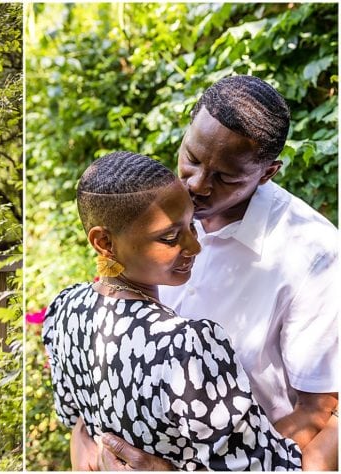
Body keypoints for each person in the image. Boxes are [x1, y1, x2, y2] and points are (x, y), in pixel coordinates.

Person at [71, 76, 339, 471]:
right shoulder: (154, 203)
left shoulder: (315, 256)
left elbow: (317, 412)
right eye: (192, 159)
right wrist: (90, 442)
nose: (196, 185)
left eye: (225, 177)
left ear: (268, 173)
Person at [43, 151, 302, 470]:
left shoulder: (63, 311)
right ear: (104, 243)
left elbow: (76, 423)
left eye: (191, 225)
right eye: (169, 237)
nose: (195, 247)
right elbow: (268, 467)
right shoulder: (186, 347)